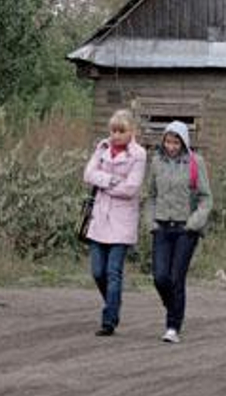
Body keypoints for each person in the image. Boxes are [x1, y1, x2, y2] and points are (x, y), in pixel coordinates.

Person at [145, 120, 212, 343]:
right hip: (162, 227)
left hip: (186, 229)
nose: (171, 146)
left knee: (176, 278)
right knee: (160, 277)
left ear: (183, 142)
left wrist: (194, 222)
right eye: (168, 141)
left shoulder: (195, 162)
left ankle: (173, 326)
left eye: (176, 142)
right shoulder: (156, 162)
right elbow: (151, 195)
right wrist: (151, 222)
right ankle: (174, 305)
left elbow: (205, 198)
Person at [82, 109, 147, 336]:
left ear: (131, 131)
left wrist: (104, 183)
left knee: (113, 272)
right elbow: (88, 174)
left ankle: (109, 320)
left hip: (122, 221)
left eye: (122, 131)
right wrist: (111, 180)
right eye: (113, 130)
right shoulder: (102, 148)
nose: (116, 135)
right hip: (99, 218)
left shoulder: (138, 154)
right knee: (98, 271)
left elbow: (131, 188)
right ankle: (113, 302)